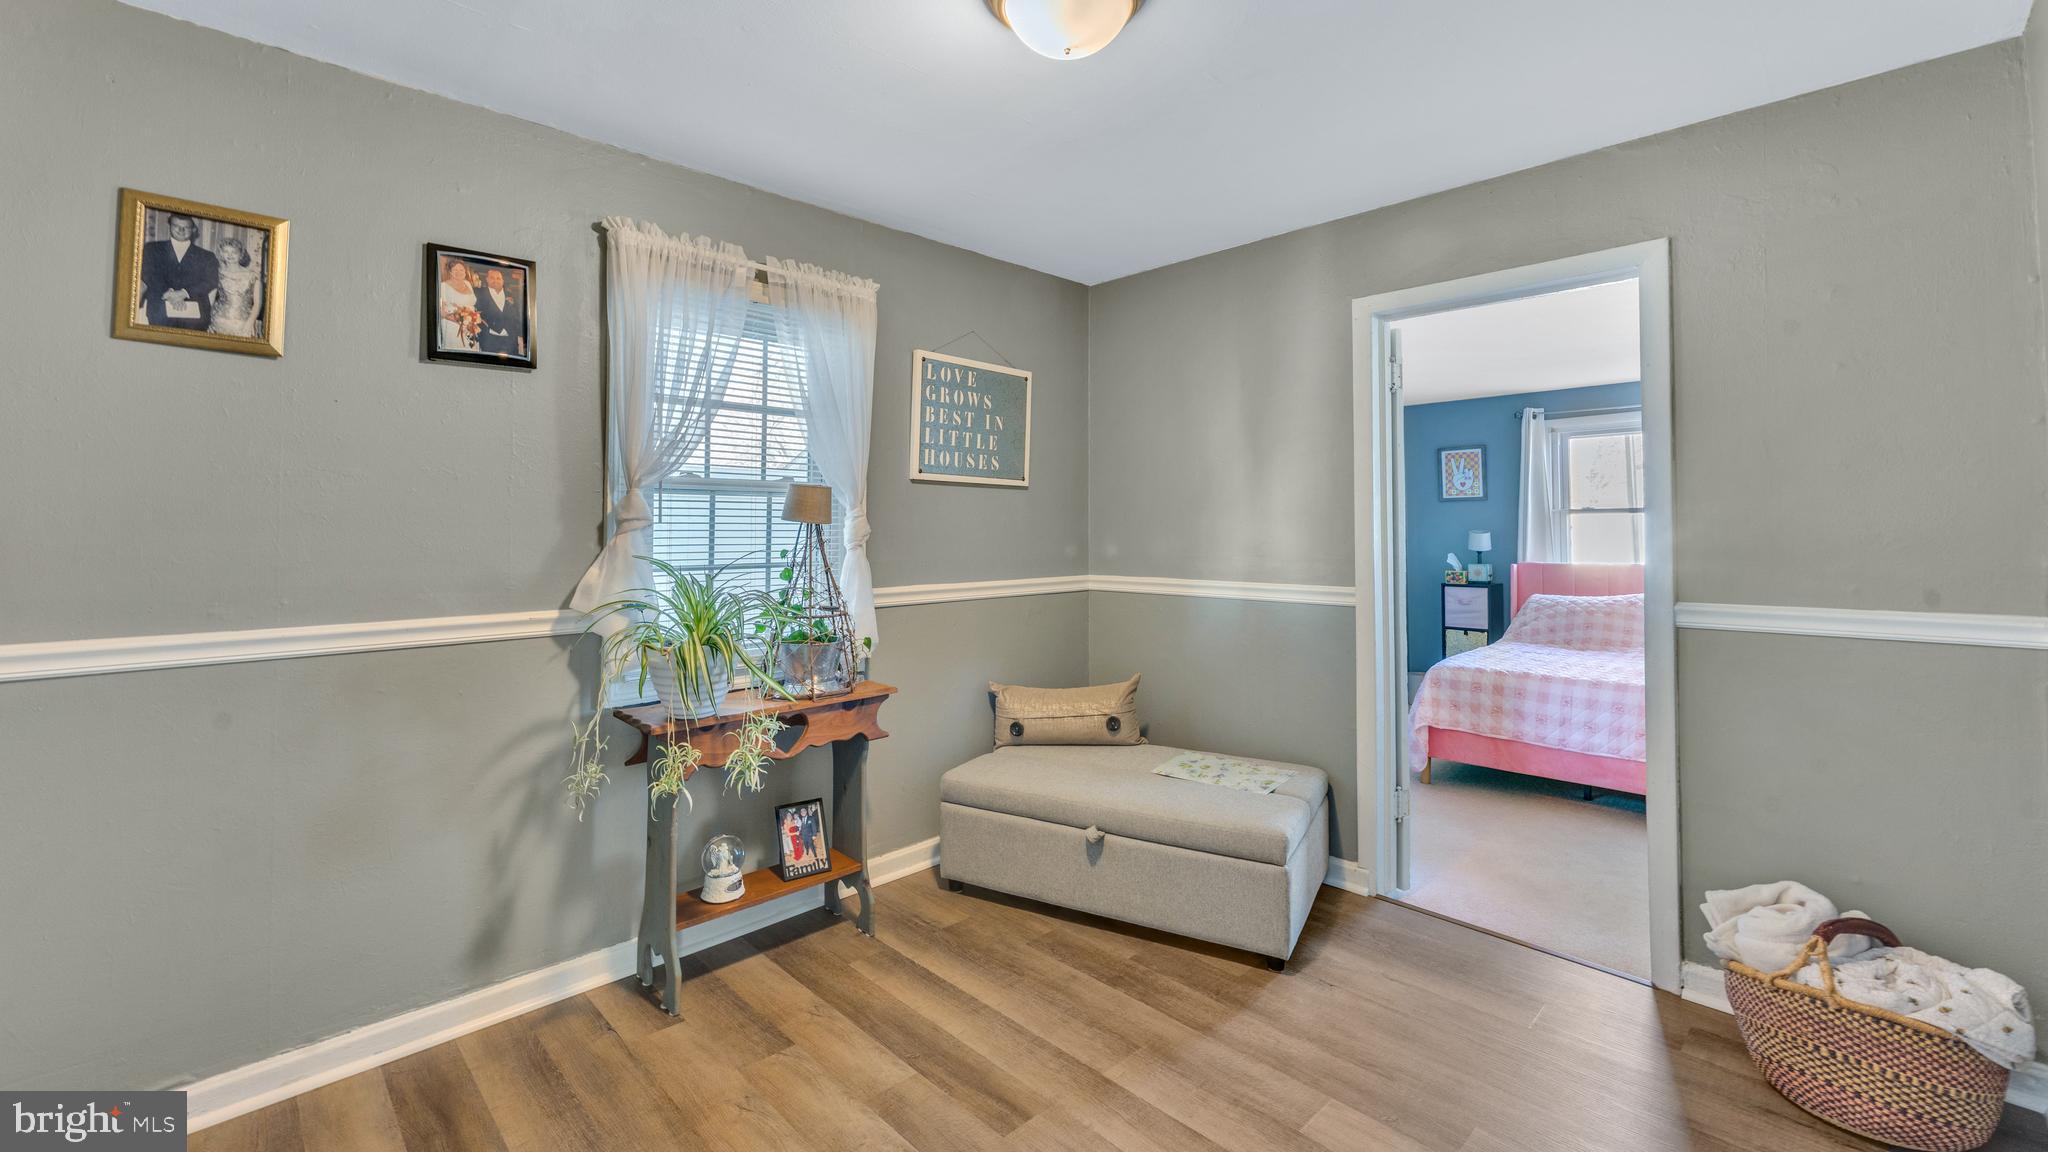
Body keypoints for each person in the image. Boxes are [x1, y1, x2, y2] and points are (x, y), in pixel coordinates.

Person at [138, 213, 219, 330]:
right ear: (170, 226)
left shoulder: (207, 256)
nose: (181, 230)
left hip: (195, 317)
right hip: (160, 312)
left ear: (194, 230)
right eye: (176, 226)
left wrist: (183, 293)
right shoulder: (152, 248)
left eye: (186, 227)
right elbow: (147, 274)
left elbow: (211, 281)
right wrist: (169, 293)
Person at [208, 236, 262, 338]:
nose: (230, 255)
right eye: (226, 251)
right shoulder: (217, 273)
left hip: (244, 324)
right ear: (221, 254)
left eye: (234, 252)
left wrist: (250, 323)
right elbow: (210, 299)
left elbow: (258, 303)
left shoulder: (253, 275)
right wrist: (208, 321)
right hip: (219, 322)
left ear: (240, 254)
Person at [473, 266, 525, 357]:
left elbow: (518, 315)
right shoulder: (478, 293)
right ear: (487, 279)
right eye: (492, 278)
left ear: (503, 281)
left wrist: (519, 336)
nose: (495, 280)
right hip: (488, 339)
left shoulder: (512, 295)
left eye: (498, 278)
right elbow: (474, 311)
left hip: (510, 340)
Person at [437, 260, 479, 351]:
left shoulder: (468, 284)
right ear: (450, 271)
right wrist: (461, 321)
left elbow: (472, 305)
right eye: (455, 270)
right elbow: (441, 312)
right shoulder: (443, 286)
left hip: (470, 326)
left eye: (461, 270)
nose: (459, 272)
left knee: (471, 350)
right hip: (453, 326)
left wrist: (472, 320)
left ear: (465, 272)